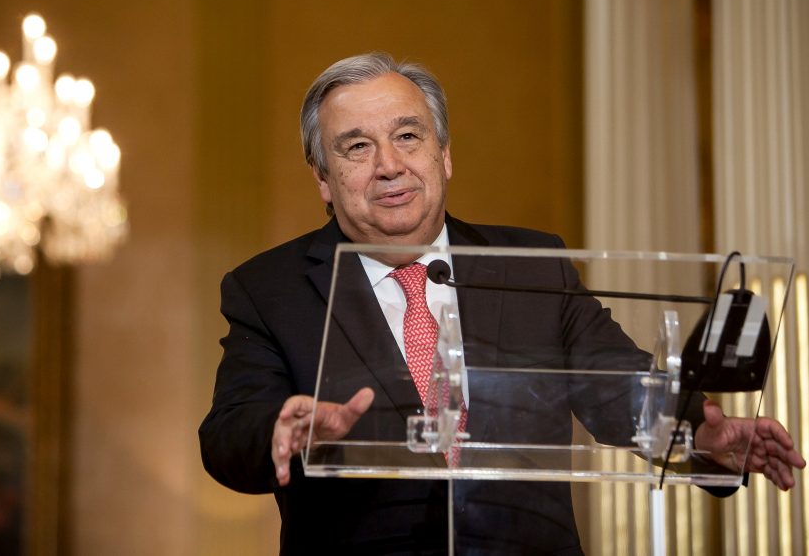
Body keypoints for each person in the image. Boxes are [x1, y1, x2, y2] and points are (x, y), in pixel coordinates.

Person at [198, 53, 805, 554]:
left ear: (444, 155)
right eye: (357, 147)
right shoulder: (269, 289)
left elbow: (615, 382)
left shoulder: (530, 267)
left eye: (408, 136)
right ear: (324, 180)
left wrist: (700, 434)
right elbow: (228, 435)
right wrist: (282, 430)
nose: (389, 165)